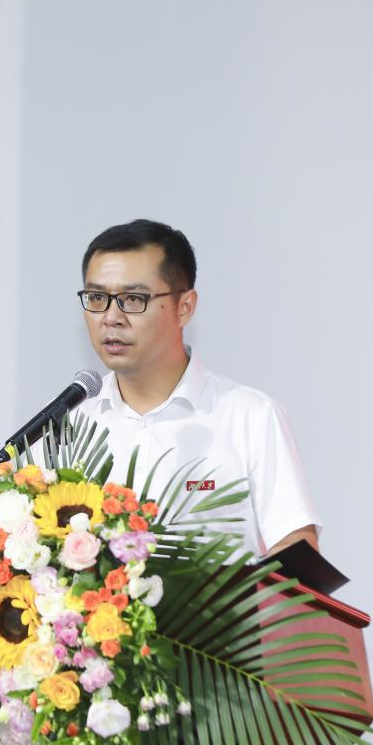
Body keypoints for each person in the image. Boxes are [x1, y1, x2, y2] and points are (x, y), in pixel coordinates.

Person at [70, 219, 321, 558]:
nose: (111, 317)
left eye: (133, 298)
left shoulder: (250, 417)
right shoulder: (68, 426)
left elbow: (297, 555)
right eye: (97, 297)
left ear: (185, 307)